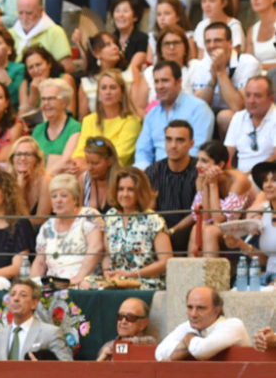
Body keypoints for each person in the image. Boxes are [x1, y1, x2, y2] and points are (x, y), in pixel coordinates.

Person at [133, 60, 215, 169]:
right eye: (156, 81)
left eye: (165, 81)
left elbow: (197, 151)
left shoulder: (198, 109)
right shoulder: (152, 114)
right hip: (155, 174)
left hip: (187, 172)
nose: (160, 86)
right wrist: (145, 172)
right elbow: (142, 151)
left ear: (179, 82)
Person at [103, 167, 173, 289]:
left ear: (140, 192)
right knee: (84, 284)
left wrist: (132, 275)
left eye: (131, 190)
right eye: (121, 189)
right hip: (116, 280)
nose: (125, 194)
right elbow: (107, 255)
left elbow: (166, 261)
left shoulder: (153, 219)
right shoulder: (110, 217)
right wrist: (107, 272)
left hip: (144, 281)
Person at [30, 173, 103, 286]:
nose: (58, 200)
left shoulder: (88, 215)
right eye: (54, 196)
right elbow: (40, 263)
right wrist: (32, 286)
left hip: (83, 281)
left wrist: (76, 279)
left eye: (63, 196)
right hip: (53, 284)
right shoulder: (47, 227)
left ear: (74, 199)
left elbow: (97, 248)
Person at [191, 22, 260, 137]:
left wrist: (220, 72)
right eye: (208, 41)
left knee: (225, 116)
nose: (212, 45)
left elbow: (239, 107)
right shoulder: (201, 65)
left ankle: (227, 155)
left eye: (217, 40)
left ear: (230, 43)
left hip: (244, 116)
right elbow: (199, 105)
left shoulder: (248, 63)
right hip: (211, 113)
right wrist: (213, 80)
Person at [191, 139, 255, 258]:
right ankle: (190, 274)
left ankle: (210, 276)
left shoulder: (238, 180)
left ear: (220, 165)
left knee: (210, 231)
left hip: (245, 227)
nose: (197, 165)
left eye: (204, 161)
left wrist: (213, 185)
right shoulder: (200, 179)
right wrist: (205, 186)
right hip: (222, 227)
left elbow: (218, 220)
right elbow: (204, 218)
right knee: (197, 228)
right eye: (198, 160)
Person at [145, 119, 198, 254]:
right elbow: (148, 210)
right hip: (159, 234)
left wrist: (172, 231)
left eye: (180, 140)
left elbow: (199, 212)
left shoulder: (199, 170)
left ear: (191, 144)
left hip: (191, 233)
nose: (173, 145)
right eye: (169, 140)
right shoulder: (153, 171)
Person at [0, 277, 72, 360]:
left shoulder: (51, 333)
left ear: (34, 303)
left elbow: (68, 370)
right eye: (12, 294)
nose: (16, 298)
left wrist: (43, 371)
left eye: (23, 295)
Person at [156, 285, 249, 360]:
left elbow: (201, 352)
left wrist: (188, 337)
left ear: (216, 311)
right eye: (190, 307)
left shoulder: (233, 325)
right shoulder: (188, 326)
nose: (193, 314)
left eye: (201, 308)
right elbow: (159, 354)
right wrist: (187, 343)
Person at [71, 70, 140, 166]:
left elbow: (120, 156)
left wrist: (90, 165)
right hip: (88, 169)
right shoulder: (89, 120)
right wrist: (78, 163)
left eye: (113, 88)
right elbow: (80, 151)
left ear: (122, 92)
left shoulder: (132, 121)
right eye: (104, 88)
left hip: (117, 172)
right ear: (99, 93)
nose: (108, 92)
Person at [224, 75, 276, 175]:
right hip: (239, 176)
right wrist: (231, 174)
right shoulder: (238, 117)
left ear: (271, 98)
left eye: (257, 96)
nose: (251, 101)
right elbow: (227, 154)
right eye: (248, 95)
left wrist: (249, 175)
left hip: (267, 175)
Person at [8, 0, 71, 66]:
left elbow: (67, 67)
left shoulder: (55, 32)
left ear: (41, 11)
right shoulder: (10, 34)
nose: (24, 18)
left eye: (29, 13)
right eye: (20, 13)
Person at [95, 296, 155, 360]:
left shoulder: (149, 343)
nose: (123, 322)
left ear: (144, 323)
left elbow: (133, 342)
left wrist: (113, 348)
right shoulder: (107, 347)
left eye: (130, 317)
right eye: (120, 317)